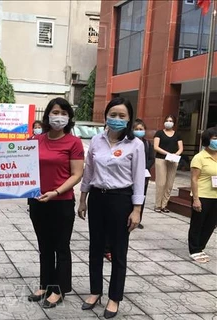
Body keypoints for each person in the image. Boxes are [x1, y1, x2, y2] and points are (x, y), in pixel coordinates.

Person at [78, 97, 145, 319]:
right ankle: (95, 290)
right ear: (106, 116)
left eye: (122, 116)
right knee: (95, 247)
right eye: (113, 115)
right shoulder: (96, 141)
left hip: (121, 200)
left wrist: (136, 210)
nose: (116, 119)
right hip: (97, 198)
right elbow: (88, 172)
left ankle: (114, 297)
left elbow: (138, 179)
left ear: (129, 119)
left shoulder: (135, 145)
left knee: (118, 250)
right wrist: (83, 198)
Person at [27, 98, 84, 308]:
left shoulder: (73, 142)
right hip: (37, 200)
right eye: (54, 112)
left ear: (68, 117)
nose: (58, 116)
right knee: (44, 246)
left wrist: (56, 191)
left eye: (62, 112)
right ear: (47, 115)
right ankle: (45, 284)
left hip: (61, 201)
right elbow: (23, 166)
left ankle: (59, 289)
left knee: (61, 246)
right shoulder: (36, 140)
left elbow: (77, 174)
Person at [188, 127, 217, 263]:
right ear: (207, 140)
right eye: (215, 139)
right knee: (198, 224)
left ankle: (201, 247)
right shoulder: (199, 157)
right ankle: (194, 249)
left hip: (215, 196)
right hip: (202, 195)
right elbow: (194, 179)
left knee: (210, 224)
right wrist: (196, 199)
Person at [153, 115, 183, 213]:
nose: (168, 122)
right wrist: (168, 154)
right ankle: (158, 205)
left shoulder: (177, 135)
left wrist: (175, 154)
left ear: (174, 123)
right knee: (161, 183)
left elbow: (181, 148)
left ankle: (164, 205)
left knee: (169, 184)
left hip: (173, 160)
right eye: (167, 120)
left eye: (171, 121)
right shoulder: (159, 133)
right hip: (161, 159)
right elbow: (156, 147)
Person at [133, 119, 155, 229]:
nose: (138, 131)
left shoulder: (147, 143)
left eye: (141, 129)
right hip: (131, 174)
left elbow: (152, 158)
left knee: (142, 196)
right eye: (136, 129)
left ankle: (138, 218)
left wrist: (144, 167)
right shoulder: (129, 142)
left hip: (144, 174)